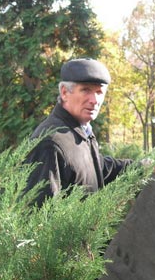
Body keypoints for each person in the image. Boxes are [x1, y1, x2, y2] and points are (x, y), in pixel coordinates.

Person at [23, 58, 132, 206]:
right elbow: (40, 212)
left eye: (99, 92)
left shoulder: (81, 132)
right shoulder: (51, 143)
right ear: (64, 92)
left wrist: (139, 168)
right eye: (86, 90)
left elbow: (94, 169)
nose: (94, 100)